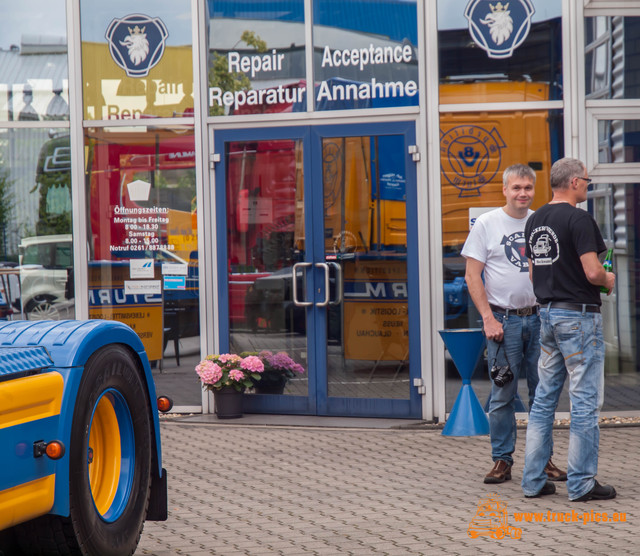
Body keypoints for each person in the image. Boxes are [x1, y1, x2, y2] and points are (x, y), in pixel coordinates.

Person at [462, 164, 566, 484]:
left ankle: (542, 461)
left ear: (536, 190)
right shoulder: (487, 224)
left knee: (543, 394)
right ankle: (502, 461)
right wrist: (488, 319)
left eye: (528, 188)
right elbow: (471, 275)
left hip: (539, 319)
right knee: (503, 395)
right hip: (503, 323)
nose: (523, 193)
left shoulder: (541, 221)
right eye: (516, 188)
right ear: (504, 190)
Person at [521, 157, 616, 501]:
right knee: (584, 402)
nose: (587, 187)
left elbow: (533, 274)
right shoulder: (579, 219)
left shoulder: (535, 220)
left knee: (543, 402)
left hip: (546, 315)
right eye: (587, 182)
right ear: (574, 182)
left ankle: (533, 481)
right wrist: (609, 279)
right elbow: (593, 272)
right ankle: (581, 484)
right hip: (578, 317)